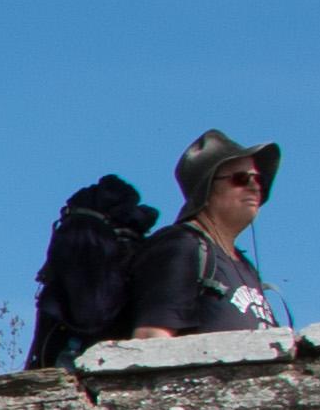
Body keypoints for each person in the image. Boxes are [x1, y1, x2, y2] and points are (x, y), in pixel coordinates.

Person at [123, 132, 288, 340]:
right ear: (207, 189)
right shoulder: (181, 246)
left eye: (259, 180)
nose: (254, 186)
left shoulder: (245, 267)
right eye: (241, 179)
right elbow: (150, 338)